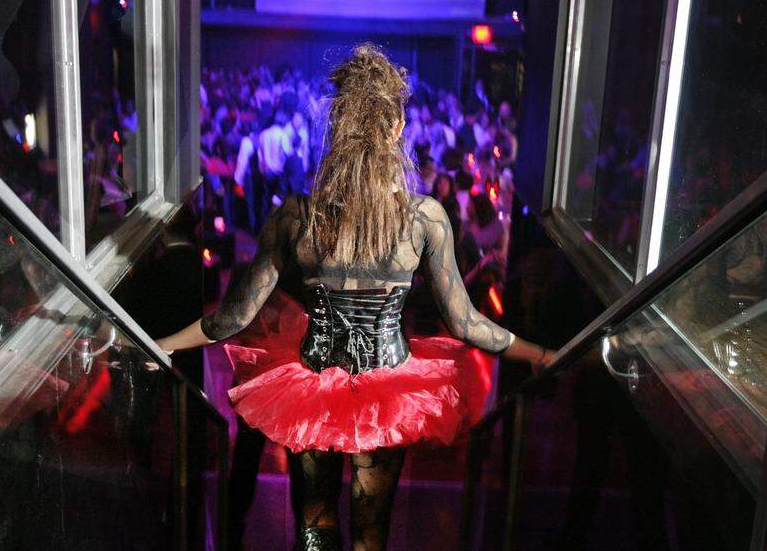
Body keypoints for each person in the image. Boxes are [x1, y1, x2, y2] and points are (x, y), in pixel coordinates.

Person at [158, 45, 550, 551]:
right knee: (370, 536)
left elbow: (233, 318)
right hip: (389, 389)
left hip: (312, 386)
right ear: (396, 129)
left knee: (315, 527)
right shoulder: (424, 218)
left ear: (336, 126)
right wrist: (541, 354)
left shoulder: (297, 216)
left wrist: (160, 344)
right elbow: (465, 323)